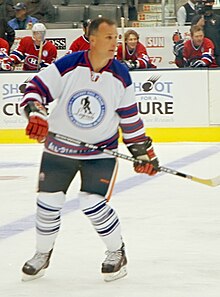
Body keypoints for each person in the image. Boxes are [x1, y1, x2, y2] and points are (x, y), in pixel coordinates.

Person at [19, 17, 159, 282]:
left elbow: (129, 117)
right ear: (92, 40)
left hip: (100, 152)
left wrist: (142, 152)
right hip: (59, 150)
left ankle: (116, 251)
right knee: (48, 203)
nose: (114, 43)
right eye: (108, 38)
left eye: (116, 38)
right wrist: (35, 112)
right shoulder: (68, 65)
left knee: (92, 202)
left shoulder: (121, 74)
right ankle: (42, 253)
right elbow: (34, 89)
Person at [191, 0, 220, 66]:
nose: (207, 5)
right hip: (200, 54)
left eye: (209, 2)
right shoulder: (196, 19)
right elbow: (193, 34)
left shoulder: (218, 19)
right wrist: (199, 25)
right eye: (204, 3)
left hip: (217, 54)